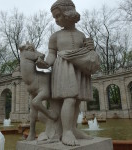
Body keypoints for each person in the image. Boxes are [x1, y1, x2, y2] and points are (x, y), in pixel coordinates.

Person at [36, 0, 96, 146]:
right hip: (63, 67)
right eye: (54, 17)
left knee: (77, 101)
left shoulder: (81, 35)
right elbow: (52, 55)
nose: (56, 20)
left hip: (79, 68)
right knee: (69, 98)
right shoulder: (55, 36)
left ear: (68, 13)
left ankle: (73, 129)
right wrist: (45, 64)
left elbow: (88, 52)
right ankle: (67, 132)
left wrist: (91, 47)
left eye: (58, 16)